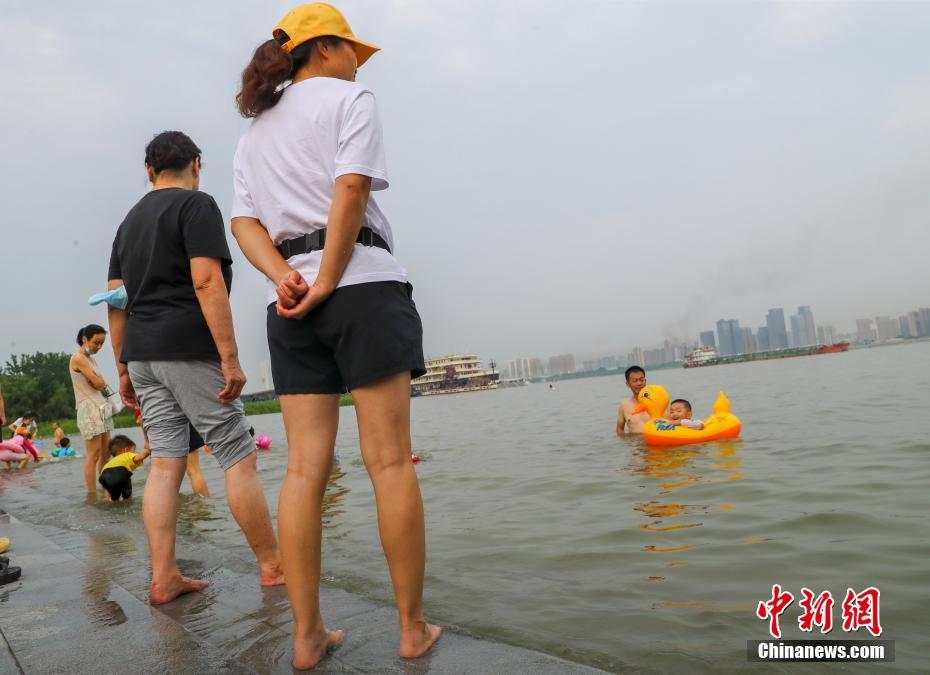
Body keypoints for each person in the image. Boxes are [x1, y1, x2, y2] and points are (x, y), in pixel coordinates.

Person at [231, 4, 439, 667]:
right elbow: (350, 187)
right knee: (387, 462)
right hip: (362, 285)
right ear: (323, 47)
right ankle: (411, 629)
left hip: (288, 304)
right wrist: (326, 275)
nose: (357, 60)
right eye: (351, 48)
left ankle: (306, 635)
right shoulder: (350, 98)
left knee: (301, 470)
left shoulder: (254, 132)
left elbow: (245, 225)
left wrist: (288, 278)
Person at [106, 129, 283, 605]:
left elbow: (116, 302)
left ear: (149, 171)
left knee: (165, 464)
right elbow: (206, 280)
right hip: (187, 347)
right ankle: (272, 566)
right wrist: (230, 356)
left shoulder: (128, 223)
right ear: (196, 165)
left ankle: (164, 576)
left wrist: (123, 368)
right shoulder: (197, 205)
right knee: (237, 456)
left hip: (142, 353)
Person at [71, 325, 115, 493]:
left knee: (105, 452)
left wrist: (97, 381)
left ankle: (106, 489)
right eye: (96, 342)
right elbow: (98, 383)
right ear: (85, 339)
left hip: (101, 407)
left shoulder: (91, 360)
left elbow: (101, 383)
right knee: (93, 455)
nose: (99, 347)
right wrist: (97, 381)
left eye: (102, 343)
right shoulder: (78, 358)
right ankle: (91, 494)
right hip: (89, 409)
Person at [99, 434, 151, 502]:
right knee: (127, 496)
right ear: (125, 450)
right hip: (121, 473)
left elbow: (106, 474)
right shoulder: (127, 454)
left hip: (104, 476)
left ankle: (109, 500)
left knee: (112, 497)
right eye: (133, 450)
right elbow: (141, 457)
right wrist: (149, 449)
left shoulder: (111, 461)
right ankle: (128, 501)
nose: (134, 452)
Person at [616, 366, 658, 435]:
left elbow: (672, 422)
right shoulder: (624, 406)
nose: (639, 383)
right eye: (635, 381)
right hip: (636, 444)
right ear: (628, 384)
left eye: (641, 380)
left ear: (645, 381)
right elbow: (620, 430)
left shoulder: (658, 400)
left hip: (656, 442)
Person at [185, 423, 210, 497]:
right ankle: (205, 503)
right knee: (194, 471)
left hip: (160, 420)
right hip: (184, 421)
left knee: (163, 472)